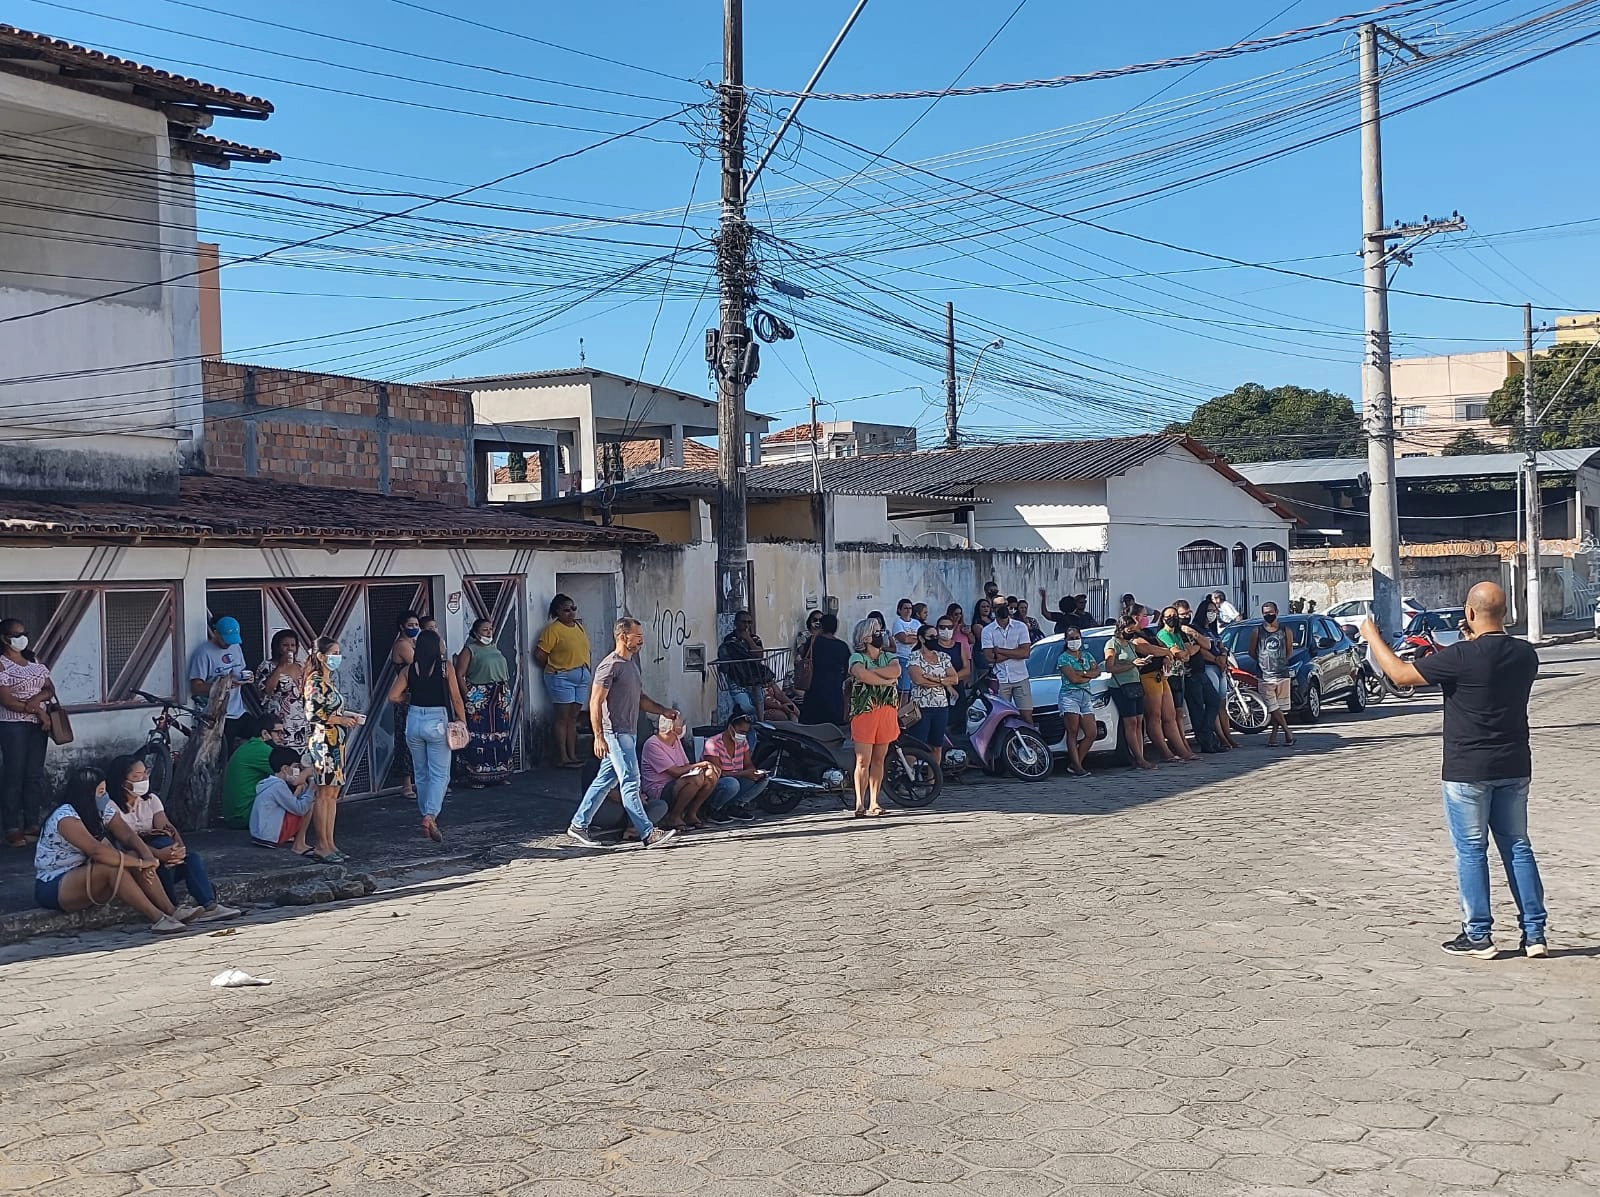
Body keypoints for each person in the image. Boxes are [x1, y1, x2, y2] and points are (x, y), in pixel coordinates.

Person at [1361, 582, 1548, 959]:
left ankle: (1479, 934)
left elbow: (1400, 674)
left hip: (1467, 769)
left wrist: (1372, 635)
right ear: (1506, 612)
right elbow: (1488, 661)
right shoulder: (1526, 654)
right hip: (1514, 763)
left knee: (1471, 852)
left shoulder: (1461, 656)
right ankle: (1535, 934)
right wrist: (1471, 636)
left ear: (1469, 613)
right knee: (1517, 847)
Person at [34, 767, 193, 933]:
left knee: (132, 854)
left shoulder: (102, 812)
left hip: (86, 875)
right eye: (101, 792)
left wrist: (147, 858)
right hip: (54, 885)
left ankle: (171, 910)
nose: (105, 797)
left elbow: (128, 836)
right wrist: (141, 863)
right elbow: (97, 852)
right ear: (86, 795)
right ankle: (157, 918)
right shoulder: (65, 817)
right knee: (112, 867)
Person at [568, 618, 680, 850]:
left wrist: (663, 711)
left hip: (628, 731)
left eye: (641, 636)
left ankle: (578, 825)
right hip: (616, 733)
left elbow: (640, 699)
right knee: (630, 781)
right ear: (622, 636)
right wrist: (598, 736)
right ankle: (647, 833)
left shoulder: (630, 665)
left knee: (604, 781)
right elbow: (596, 702)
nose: (641, 640)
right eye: (637, 636)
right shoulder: (610, 665)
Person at [107, 756, 240, 922]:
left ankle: (210, 906)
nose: (143, 779)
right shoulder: (111, 807)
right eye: (136, 776)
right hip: (138, 858)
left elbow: (166, 826)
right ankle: (173, 908)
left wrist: (177, 850)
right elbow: (126, 841)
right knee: (158, 865)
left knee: (192, 859)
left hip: (162, 850)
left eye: (145, 774)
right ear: (122, 781)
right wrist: (159, 854)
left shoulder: (150, 800)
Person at [393, 629, 466, 842]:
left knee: (421, 773)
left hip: (414, 720)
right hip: (437, 720)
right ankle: (430, 815)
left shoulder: (409, 670)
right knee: (440, 774)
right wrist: (462, 721)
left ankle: (426, 814)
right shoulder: (446, 668)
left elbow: (393, 696)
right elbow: (456, 698)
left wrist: (408, 699)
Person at [303, 636, 361, 863]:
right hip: (324, 742)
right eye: (333, 653)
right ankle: (321, 844)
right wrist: (339, 720)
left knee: (332, 794)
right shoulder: (314, 681)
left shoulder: (329, 682)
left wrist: (347, 717)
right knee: (324, 794)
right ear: (321, 656)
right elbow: (313, 714)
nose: (337, 658)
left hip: (336, 742)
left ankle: (330, 842)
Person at [0, 615, 54, 846]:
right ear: (4, 638)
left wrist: (36, 702)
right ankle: (12, 826)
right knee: (14, 775)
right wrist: (38, 712)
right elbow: (7, 700)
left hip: (36, 727)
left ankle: (32, 822)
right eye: (17, 635)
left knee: (33, 775)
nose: (22, 639)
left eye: (24, 634)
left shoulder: (32, 659)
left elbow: (49, 688)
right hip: (13, 725)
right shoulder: (2, 663)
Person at [846, 619, 901, 818]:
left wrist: (875, 673)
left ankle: (875, 801)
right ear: (866, 637)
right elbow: (861, 675)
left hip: (886, 711)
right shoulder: (856, 657)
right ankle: (860, 803)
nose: (881, 634)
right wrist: (887, 682)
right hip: (865, 713)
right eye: (877, 632)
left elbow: (896, 671)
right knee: (863, 760)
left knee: (879, 759)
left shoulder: (889, 656)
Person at [536, 594, 592, 769]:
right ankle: (562, 756)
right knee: (563, 717)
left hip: (581, 675)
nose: (571, 613)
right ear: (557, 612)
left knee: (573, 717)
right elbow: (540, 654)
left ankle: (573, 754)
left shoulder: (579, 627)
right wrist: (557, 667)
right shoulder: (553, 630)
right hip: (561, 676)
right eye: (566, 610)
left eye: (573, 609)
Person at [455, 618, 513, 785]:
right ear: (475, 632)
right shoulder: (469, 650)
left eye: (490, 629)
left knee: (500, 732)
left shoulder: (494, 648)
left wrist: (506, 693)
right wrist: (469, 696)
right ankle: (477, 774)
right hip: (479, 695)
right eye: (485, 630)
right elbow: (460, 674)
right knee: (479, 733)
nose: (489, 632)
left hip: (499, 694)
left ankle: (500, 772)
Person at [1134, 612, 1196, 763]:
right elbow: (1150, 649)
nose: (1145, 617)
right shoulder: (1133, 637)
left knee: (1170, 715)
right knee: (1154, 716)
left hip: (1161, 675)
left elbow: (1161, 647)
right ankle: (1164, 751)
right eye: (1142, 615)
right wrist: (1167, 652)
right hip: (1147, 676)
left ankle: (1182, 750)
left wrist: (1166, 656)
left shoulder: (1148, 632)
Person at [642, 712, 718, 830]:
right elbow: (675, 772)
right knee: (694, 779)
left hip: (678, 781)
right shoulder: (652, 745)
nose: (683, 726)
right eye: (681, 723)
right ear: (673, 728)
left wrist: (701, 768)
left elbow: (686, 765)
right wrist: (700, 764)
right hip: (659, 789)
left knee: (710, 775)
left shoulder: (676, 740)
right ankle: (674, 816)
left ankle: (691, 814)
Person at [188, 615, 253, 752]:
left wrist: (245, 677)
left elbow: (240, 671)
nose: (228, 644)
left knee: (260, 732)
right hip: (218, 714)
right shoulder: (203, 653)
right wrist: (222, 686)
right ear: (215, 633)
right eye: (225, 640)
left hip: (239, 710)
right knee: (224, 752)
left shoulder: (235, 647)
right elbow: (196, 687)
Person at [1168, 601, 1219, 753]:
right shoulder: (1176, 633)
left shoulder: (1189, 630)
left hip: (1200, 671)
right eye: (1183, 614)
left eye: (1188, 613)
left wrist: (1194, 634)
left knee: (1214, 701)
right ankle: (1206, 742)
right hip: (1189, 675)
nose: (1186, 616)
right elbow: (1188, 652)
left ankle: (1207, 730)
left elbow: (1207, 645)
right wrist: (1197, 646)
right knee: (1196, 710)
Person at [221, 713, 287, 830]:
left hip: (235, 814)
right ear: (265, 734)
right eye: (278, 733)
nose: (282, 737)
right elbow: (289, 777)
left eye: (283, 733)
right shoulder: (263, 751)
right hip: (243, 815)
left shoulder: (251, 746)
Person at [1104, 617, 1154, 771]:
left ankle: (1141, 755)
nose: (1131, 633)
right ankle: (1138, 758)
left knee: (1139, 721)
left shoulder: (1130, 644)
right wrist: (1131, 664)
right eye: (1129, 630)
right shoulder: (1112, 644)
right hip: (1121, 686)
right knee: (1130, 722)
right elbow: (1109, 667)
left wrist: (1140, 663)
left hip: (1135, 684)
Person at [250, 746, 318, 853]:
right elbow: (300, 809)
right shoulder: (278, 786)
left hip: (259, 835)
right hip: (269, 837)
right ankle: (299, 844)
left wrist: (299, 788)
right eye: (296, 767)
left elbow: (290, 802)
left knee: (303, 801)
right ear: (285, 769)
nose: (298, 771)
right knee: (309, 804)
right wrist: (311, 788)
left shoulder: (268, 783)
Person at [908, 624, 958, 767]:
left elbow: (954, 678)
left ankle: (933, 779)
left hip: (941, 706)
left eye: (936, 636)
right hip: (921, 707)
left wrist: (935, 679)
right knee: (916, 745)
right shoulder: (914, 656)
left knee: (936, 745)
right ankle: (908, 775)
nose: (935, 639)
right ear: (921, 639)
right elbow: (918, 680)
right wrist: (943, 683)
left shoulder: (943, 656)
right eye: (931, 637)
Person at [702, 712, 766, 822]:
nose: (743, 735)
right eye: (741, 732)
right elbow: (717, 773)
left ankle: (735, 806)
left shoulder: (743, 742)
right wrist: (744, 773)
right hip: (718, 783)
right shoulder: (712, 743)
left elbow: (748, 764)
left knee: (763, 779)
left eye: (745, 733)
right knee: (731, 784)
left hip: (736, 779)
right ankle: (713, 809)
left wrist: (754, 772)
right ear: (730, 727)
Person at [1249, 601, 1295, 747]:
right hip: (1265, 676)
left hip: (1282, 674)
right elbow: (1251, 651)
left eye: (1270, 612)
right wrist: (1263, 662)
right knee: (1272, 706)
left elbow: (1289, 651)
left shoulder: (1285, 630)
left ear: (1276, 612)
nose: (1268, 615)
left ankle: (1274, 737)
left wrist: (1280, 662)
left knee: (1280, 709)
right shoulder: (1257, 631)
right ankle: (1288, 732)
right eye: (1265, 612)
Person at [981, 602, 1034, 725]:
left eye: (1005, 605)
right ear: (993, 609)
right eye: (999, 606)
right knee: (1002, 719)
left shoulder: (1021, 627)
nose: (1003, 608)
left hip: (1020, 677)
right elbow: (989, 657)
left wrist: (999, 650)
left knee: (1027, 717)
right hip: (1000, 679)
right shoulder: (987, 630)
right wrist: (1016, 652)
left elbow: (1025, 653)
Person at [1057, 630, 1101, 777]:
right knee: (1073, 731)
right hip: (1070, 696)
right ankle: (1077, 766)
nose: (1074, 641)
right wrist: (1087, 674)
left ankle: (1076, 763)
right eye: (1071, 638)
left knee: (1091, 732)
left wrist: (1083, 674)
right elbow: (1073, 679)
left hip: (1086, 696)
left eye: (1077, 638)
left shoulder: (1087, 655)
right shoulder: (1063, 659)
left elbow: (1097, 671)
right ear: (1066, 640)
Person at [389, 611, 422, 800]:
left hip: (415, 697)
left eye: (416, 624)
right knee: (405, 740)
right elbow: (419, 665)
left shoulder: (414, 643)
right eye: (410, 625)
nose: (414, 628)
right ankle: (406, 784)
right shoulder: (402, 645)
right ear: (402, 627)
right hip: (404, 698)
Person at [256, 629, 308, 749]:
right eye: (285, 645)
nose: (289, 649)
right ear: (278, 647)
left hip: (300, 722)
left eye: (293, 645)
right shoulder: (267, 666)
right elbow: (265, 692)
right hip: (277, 723)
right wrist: (280, 667)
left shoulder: (301, 666)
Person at [798, 612, 850, 726]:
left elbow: (803, 654)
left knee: (811, 726)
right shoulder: (843, 646)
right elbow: (847, 670)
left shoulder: (813, 641)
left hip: (814, 690)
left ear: (821, 626)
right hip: (834, 692)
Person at [890, 598, 919, 697]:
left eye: (910, 608)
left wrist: (911, 637)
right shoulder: (898, 623)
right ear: (899, 610)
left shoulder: (916, 623)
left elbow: (924, 637)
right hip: (903, 658)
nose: (908, 610)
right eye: (905, 608)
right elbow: (904, 640)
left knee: (914, 690)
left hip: (916, 659)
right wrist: (916, 638)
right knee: (904, 691)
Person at [968, 598, 994, 675]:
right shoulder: (977, 624)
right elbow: (983, 640)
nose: (986, 608)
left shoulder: (994, 621)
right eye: (983, 607)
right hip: (982, 653)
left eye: (987, 606)